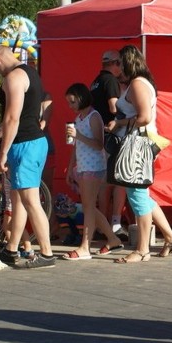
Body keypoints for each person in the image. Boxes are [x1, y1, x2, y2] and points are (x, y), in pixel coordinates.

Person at [107, 44, 172, 263]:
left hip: (138, 144)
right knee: (141, 195)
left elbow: (144, 117)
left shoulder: (138, 84)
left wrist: (118, 122)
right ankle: (170, 237)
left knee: (137, 195)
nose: (116, 66)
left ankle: (142, 249)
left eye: (118, 62)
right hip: (138, 143)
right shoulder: (136, 84)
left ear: (127, 62)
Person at [0, 44, 56, 269]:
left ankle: (46, 254)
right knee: (17, 201)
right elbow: (27, 113)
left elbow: (13, 118)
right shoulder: (30, 72)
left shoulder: (13, 78)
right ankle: (11, 249)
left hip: (25, 144)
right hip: (30, 142)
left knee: (30, 201)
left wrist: (2, 154)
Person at [61, 83, 124, 260]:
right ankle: (112, 239)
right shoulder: (80, 118)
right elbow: (76, 145)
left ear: (81, 98)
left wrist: (77, 136)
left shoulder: (93, 116)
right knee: (89, 206)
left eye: (72, 101)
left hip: (94, 166)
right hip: (82, 166)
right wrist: (71, 166)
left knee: (89, 207)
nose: (70, 106)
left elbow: (98, 144)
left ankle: (85, 246)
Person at [91, 50, 128, 239]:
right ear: (114, 63)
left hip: (100, 137)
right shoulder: (110, 81)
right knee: (118, 181)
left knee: (104, 183)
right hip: (112, 135)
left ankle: (102, 224)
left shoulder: (96, 81)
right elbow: (114, 107)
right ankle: (114, 223)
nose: (121, 68)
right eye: (120, 64)